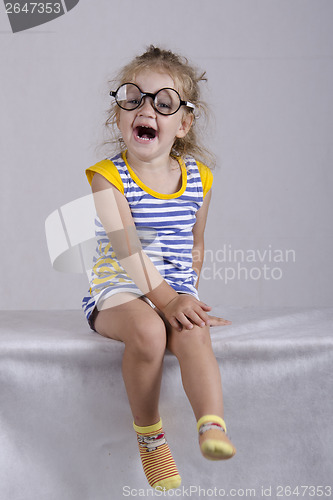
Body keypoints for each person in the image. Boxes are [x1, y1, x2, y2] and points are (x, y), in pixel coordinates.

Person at [82, 45, 236, 491]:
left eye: (163, 102)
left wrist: (185, 299)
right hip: (118, 292)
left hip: (168, 289)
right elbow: (127, 250)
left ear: (183, 124)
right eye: (133, 98)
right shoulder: (107, 176)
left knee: (194, 333)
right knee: (149, 331)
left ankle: (212, 424)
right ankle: (150, 437)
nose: (145, 108)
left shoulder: (198, 177)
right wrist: (164, 300)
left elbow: (196, 243)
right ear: (119, 115)